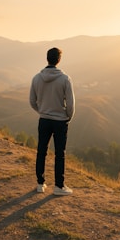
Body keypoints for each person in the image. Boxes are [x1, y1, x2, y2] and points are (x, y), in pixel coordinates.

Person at [29, 47, 75, 195]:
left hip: (44, 119)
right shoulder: (65, 79)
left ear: (47, 58)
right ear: (59, 60)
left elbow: (32, 101)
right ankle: (59, 186)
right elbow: (71, 103)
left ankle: (40, 184)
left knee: (41, 151)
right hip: (60, 121)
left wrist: (41, 111)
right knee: (59, 153)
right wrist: (68, 116)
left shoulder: (36, 78)